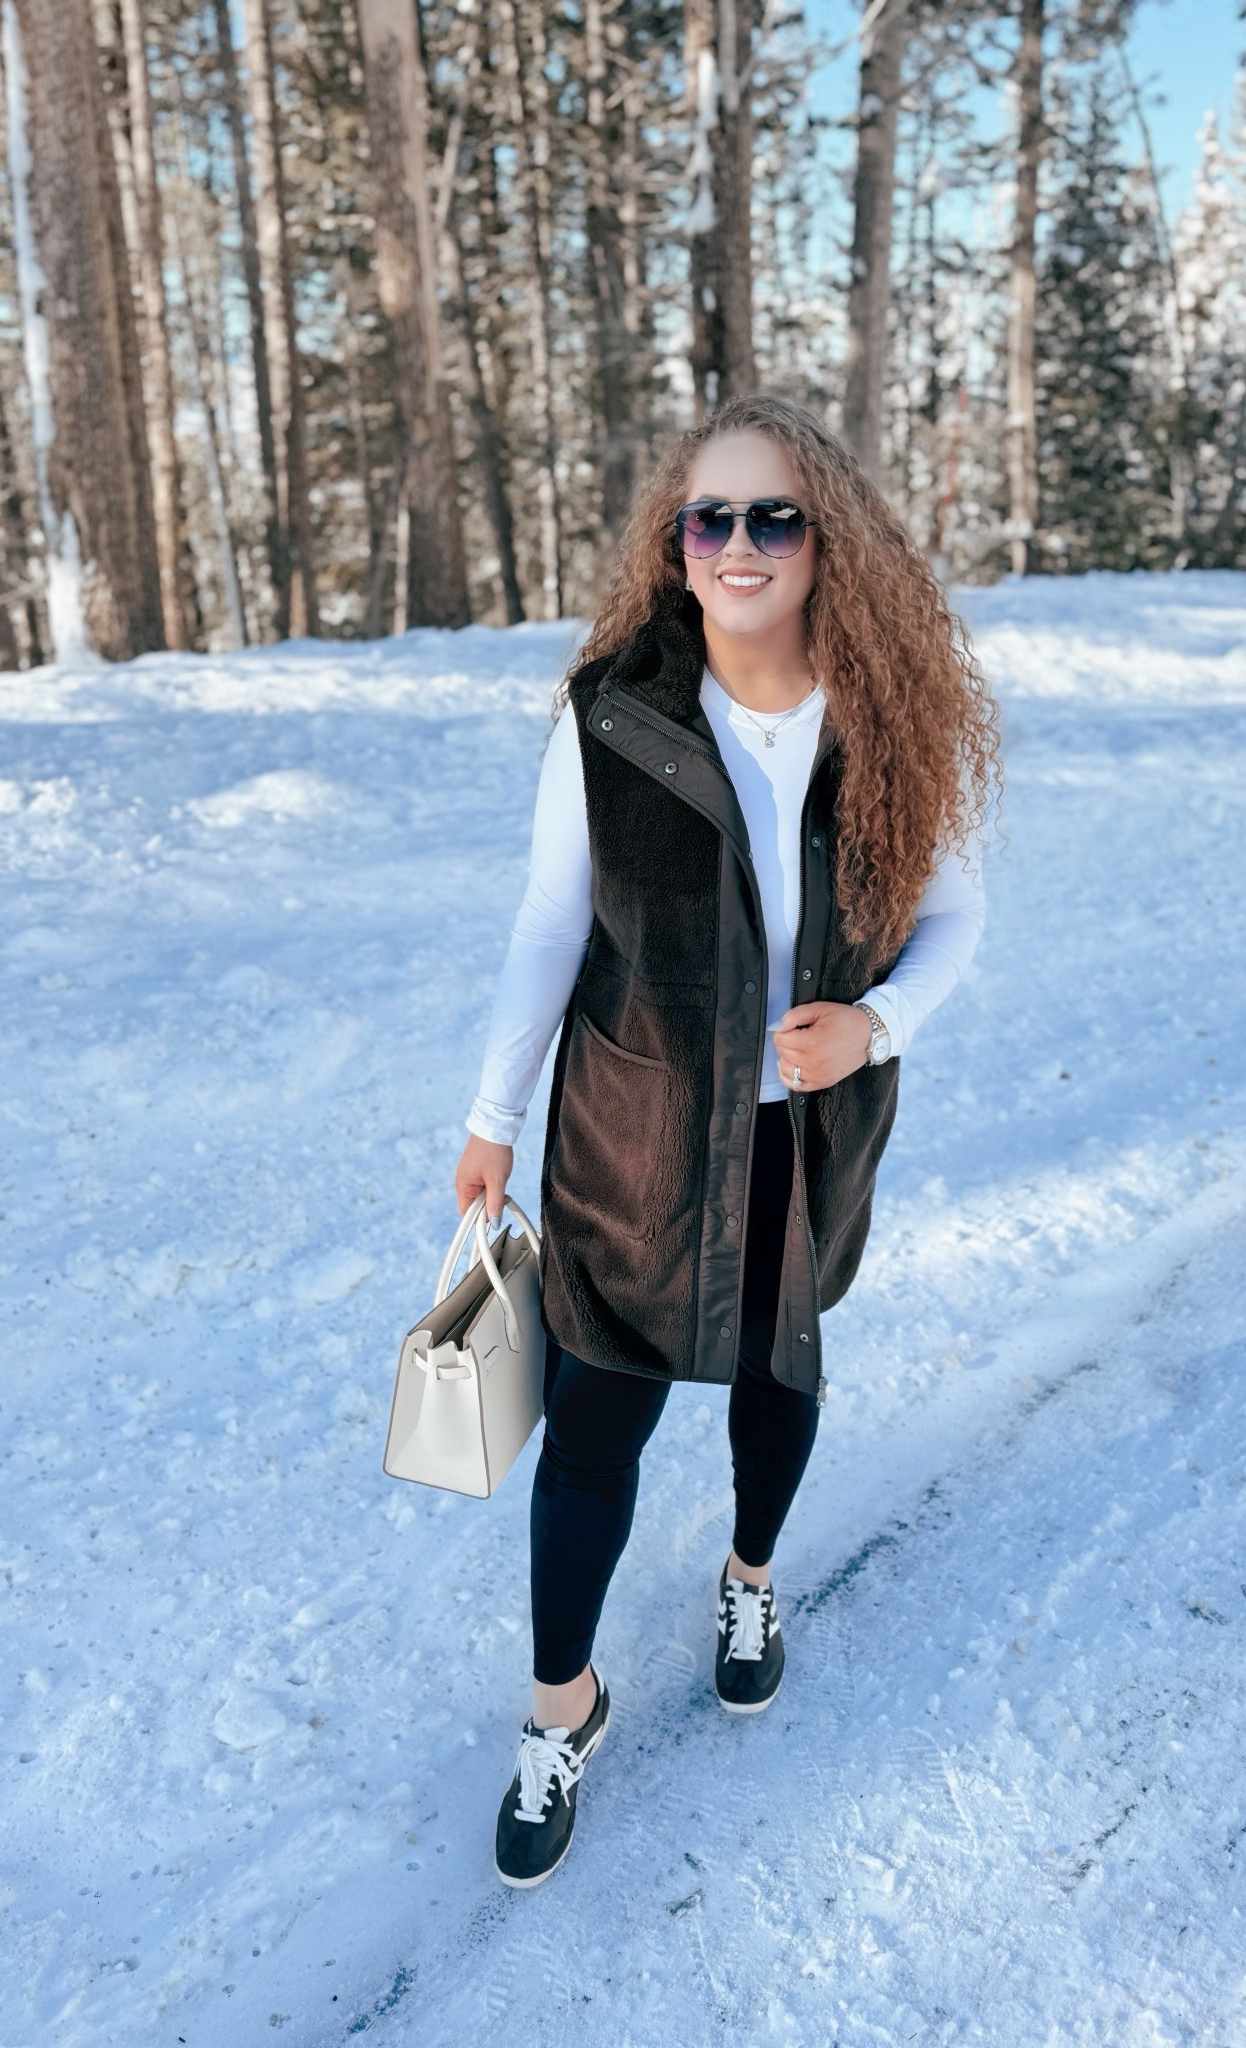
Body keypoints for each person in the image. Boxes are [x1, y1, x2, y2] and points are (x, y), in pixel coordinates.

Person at [453, 393, 1000, 1889]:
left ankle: (751, 1578)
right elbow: (549, 927)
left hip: (802, 1141)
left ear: (829, 542)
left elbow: (953, 921)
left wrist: (874, 1026)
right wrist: (492, 1119)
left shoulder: (894, 716)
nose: (742, 544)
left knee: (778, 1369)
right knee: (594, 1428)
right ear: (676, 546)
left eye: (776, 518)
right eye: (715, 518)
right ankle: (562, 1706)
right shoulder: (610, 716)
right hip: (629, 1132)